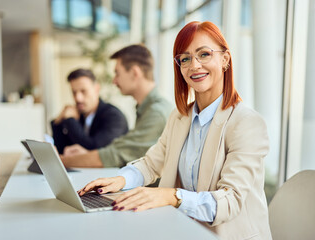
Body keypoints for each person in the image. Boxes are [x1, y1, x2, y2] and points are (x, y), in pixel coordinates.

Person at [78, 21, 272, 240]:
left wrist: (173, 196)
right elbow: (152, 163)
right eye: (185, 59)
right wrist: (120, 180)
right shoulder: (180, 117)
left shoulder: (246, 123)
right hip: (183, 230)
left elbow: (229, 202)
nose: (194, 65)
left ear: (225, 59)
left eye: (204, 54)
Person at [61, 45, 173, 168]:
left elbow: (115, 155)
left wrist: (61, 161)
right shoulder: (147, 109)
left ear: (135, 73)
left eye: (117, 73)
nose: (114, 81)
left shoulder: (156, 112)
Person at [51, 68, 128, 154]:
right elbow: (62, 151)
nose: (78, 98)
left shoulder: (114, 116)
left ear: (97, 89)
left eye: (83, 91)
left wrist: (70, 120)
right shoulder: (79, 115)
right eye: (74, 92)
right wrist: (58, 123)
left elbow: (94, 150)